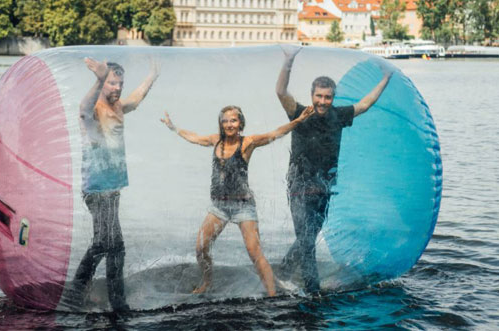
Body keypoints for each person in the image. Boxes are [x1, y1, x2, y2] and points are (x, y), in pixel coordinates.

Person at [160, 104, 314, 296]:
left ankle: (272, 295)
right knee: (201, 247)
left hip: (243, 206)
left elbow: (274, 133)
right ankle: (207, 282)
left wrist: (298, 121)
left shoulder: (247, 142)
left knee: (254, 252)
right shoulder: (216, 140)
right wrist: (174, 128)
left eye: (233, 120)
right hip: (219, 207)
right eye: (224, 121)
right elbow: (195, 137)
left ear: (240, 122)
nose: (228, 124)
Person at [275, 45, 392, 293]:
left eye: (327, 97)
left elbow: (364, 105)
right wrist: (288, 61)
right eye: (319, 96)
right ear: (312, 95)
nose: (323, 101)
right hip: (298, 186)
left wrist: (385, 78)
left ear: (333, 97)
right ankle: (312, 291)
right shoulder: (300, 113)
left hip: (324, 187)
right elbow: (280, 91)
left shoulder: (338, 116)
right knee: (307, 240)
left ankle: (284, 269)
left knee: (308, 236)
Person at [71, 57, 159, 311]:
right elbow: (82, 109)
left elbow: (136, 98)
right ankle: (115, 300)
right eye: (112, 82)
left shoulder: (118, 106)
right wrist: (98, 80)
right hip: (97, 188)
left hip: (112, 187)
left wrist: (152, 75)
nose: (117, 87)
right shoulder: (94, 109)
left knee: (104, 243)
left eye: (120, 83)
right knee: (113, 245)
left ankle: (80, 291)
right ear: (102, 83)